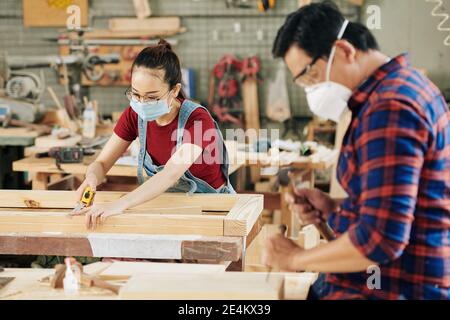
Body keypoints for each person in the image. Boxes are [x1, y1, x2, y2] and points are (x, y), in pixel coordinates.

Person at [263, 2, 449, 300]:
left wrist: (294, 258)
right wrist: (336, 209)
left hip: (394, 287)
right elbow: (398, 209)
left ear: (346, 50)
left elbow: (381, 240)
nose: (312, 89)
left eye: (311, 75)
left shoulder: (389, 108)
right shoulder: (404, 88)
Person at [71, 39, 235, 229]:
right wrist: (92, 177)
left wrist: (121, 203)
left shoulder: (197, 120)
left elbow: (170, 174)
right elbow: (101, 163)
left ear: (175, 91)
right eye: (136, 94)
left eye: (152, 97)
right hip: (167, 207)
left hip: (211, 211)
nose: (141, 103)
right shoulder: (134, 115)